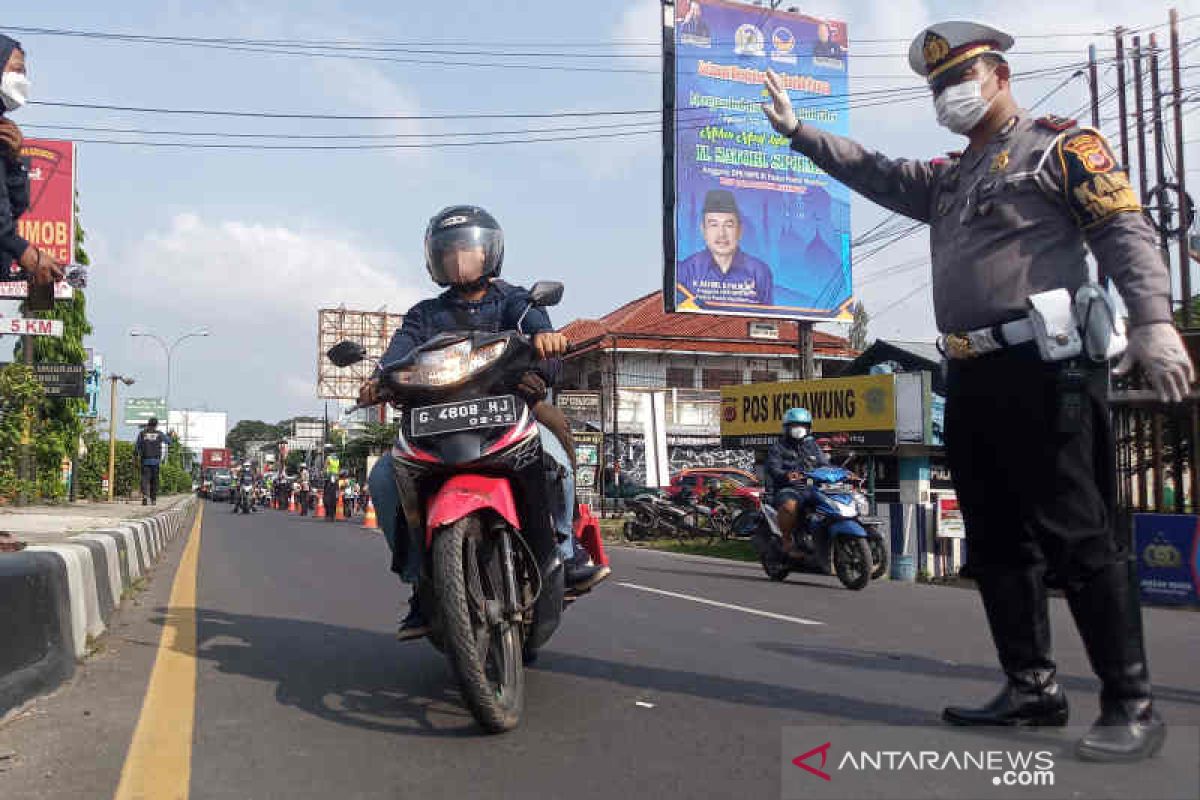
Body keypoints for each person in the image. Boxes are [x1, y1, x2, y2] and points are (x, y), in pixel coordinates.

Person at [762, 20, 1194, 762]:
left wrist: (1153, 320)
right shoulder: (952, 178)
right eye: (936, 87)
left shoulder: (1062, 148)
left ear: (997, 74)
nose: (947, 97)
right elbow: (878, 171)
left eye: (958, 79)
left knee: (1079, 534)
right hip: (972, 374)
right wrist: (801, 132)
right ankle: (1031, 686)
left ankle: (1131, 702)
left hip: (1047, 368)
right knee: (997, 540)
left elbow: (1124, 228)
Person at [364, 205, 611, 640]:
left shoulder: (516, 300)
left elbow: (541, 337)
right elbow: (395, 357)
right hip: (435, 422)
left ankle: (567, 555)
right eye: (449, 251)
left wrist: (545, 348)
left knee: (557, 460)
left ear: (490, 253)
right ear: (434, 259)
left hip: (509, 410)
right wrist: (377, 381)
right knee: (384, 477)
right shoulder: (423, 315)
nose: (459, 259)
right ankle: (420, 582)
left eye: (468, 249)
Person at [0, 35, 63, 288]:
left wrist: (13, 161)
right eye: (16, 71)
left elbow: (14, 210)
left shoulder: (5, 131)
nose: (22, 81)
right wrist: (24, 251)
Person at [676, 189, 773, 307]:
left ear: (740, 230)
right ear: (703, 230)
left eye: (729, 225)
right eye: (714, 225)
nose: (721, 234)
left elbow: (767, 320)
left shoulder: (759, 272)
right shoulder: (686, 271)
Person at [764, 408, 829, 555]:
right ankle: (787, 541)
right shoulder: (778, 448)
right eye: (795, 426)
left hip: (811, 487)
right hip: (787, 489)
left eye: (803, 425)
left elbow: (824, 464)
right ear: (787, 428)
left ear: (808, 428)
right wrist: (788, 475)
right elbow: (774, 469)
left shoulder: (812, 446)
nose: (799, 429)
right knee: (790, 506)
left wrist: (842, 473)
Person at [134, 418, 168, 506]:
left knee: (145, 479)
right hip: (156, 462)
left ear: (148, 424)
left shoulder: (142, 434)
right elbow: (169, 441)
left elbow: (137, 447)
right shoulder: (159, 434)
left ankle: (145, 496)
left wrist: (135, 457)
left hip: (145, 461)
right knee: (154, 481)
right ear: (156, 425)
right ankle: (153, 500)